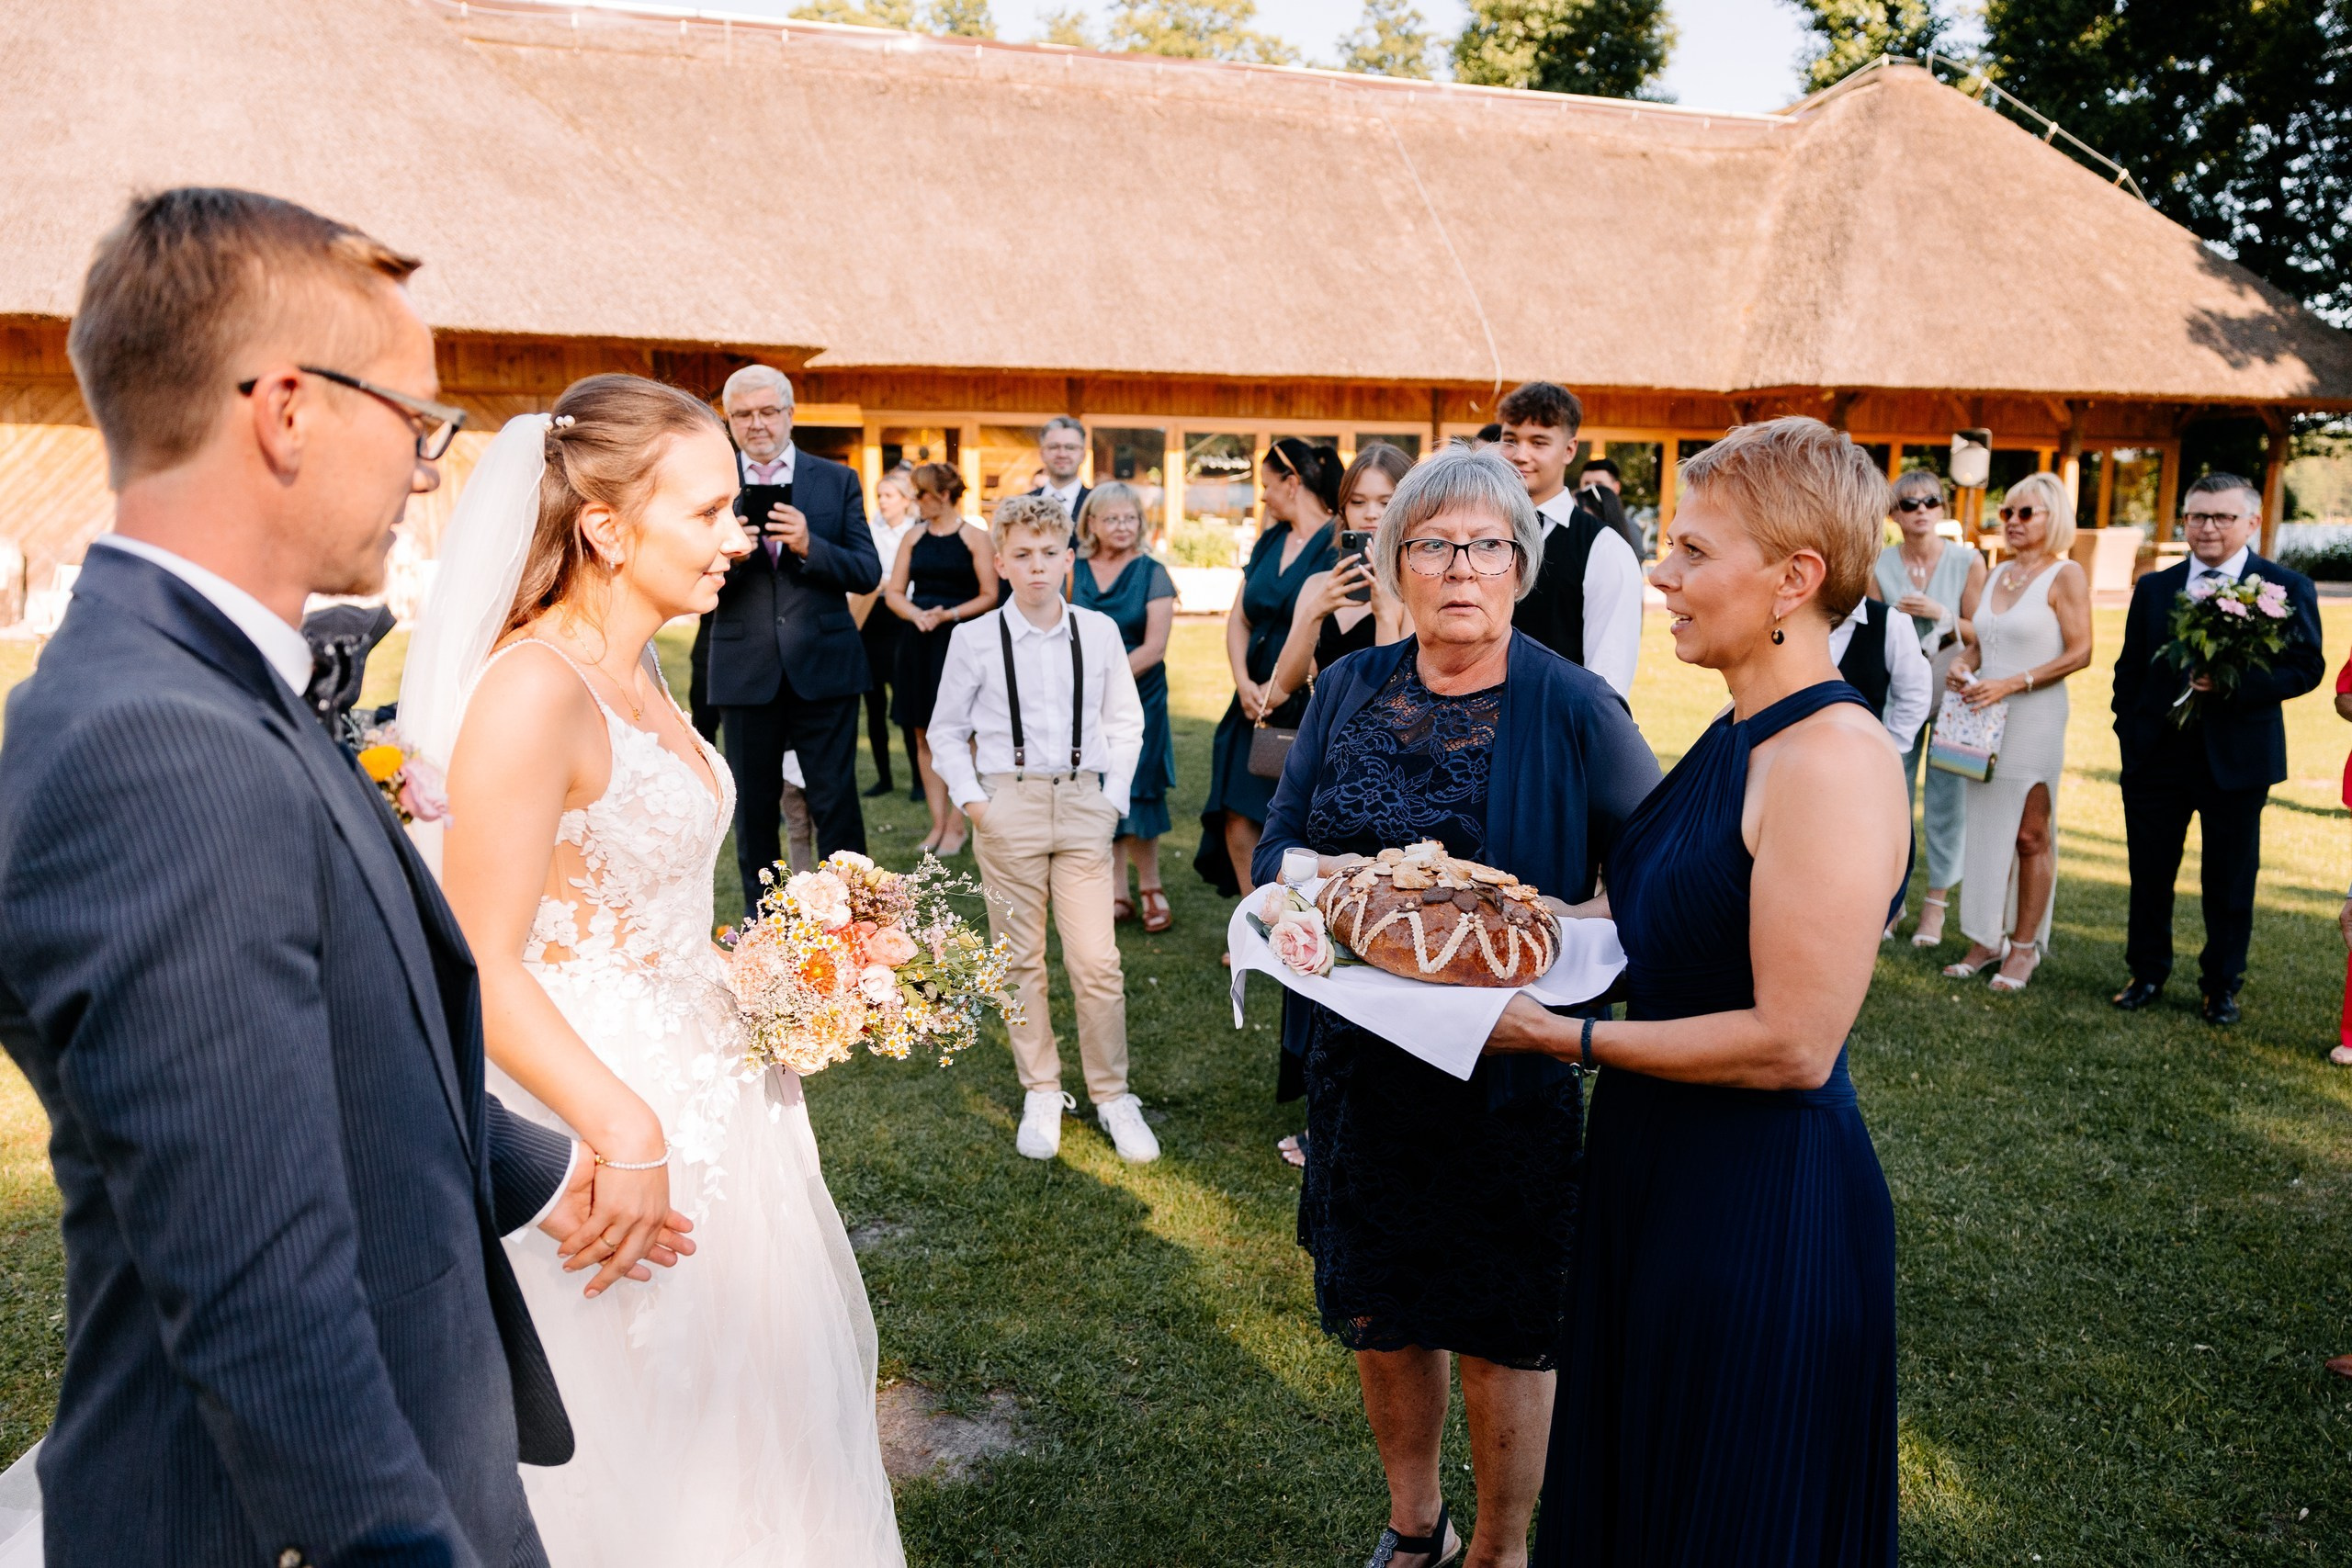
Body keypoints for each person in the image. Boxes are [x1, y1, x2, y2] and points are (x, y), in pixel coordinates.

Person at [0, 186, 688, 1567]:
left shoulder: (220, 688)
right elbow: (250, 1273)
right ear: (289, 410)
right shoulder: (150, 745)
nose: (430, 468)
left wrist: (536, 1171)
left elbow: (312, 1053)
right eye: (415, 421)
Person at [412, 379, 905, 1565]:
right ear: (607, 528)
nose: (740, 537)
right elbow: (481, 954)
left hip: (717, 1095)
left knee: (743, 1431)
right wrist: (622, 1126)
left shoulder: (640, 674)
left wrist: (784, 977)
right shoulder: (535, 689)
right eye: (710, 512)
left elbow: (636, 902)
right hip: (598, 1119)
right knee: (629, 1438)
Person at [1485, 415, 1909, 1568]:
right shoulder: (1737, 734)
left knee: (1728, 1507)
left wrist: (1558, 1041)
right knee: (1644, 1488)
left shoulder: (1829, 761)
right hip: (1657, 1172)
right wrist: (1459, 924)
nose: (1659, 575)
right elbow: (1654, 918)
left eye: (1689, 552)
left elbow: (1792, 1043)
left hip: (1756, 1204)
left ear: (1795, 577)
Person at [1254, 447, 1659, 1568]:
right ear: (1396, 566)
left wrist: (1577, 931)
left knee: (1503, 1330)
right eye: (1430, 546)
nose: (1458, 568)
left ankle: (1498, 1549)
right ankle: (1412, 1522)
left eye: (1484, 545)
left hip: (1507, 1078)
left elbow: (1655, 866)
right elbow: (1282, 834)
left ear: (1520, 568)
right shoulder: (1347, 689)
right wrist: (1317, 895)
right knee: (1384, 1311)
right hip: (1361, 1069)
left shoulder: (1573, 704)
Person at [929, 495, 1155, 1163]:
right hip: (1009, 807)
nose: (1035, 567)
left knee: (1097, 960)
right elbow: (947, 732)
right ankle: (1041, 1085)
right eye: (1021, 555)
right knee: (1019, 958)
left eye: (1048, 554)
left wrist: (1113, 799)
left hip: (1085, 804)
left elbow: (1125, 720)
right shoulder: (974, 639)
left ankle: (1112, 1094)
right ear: (999, 561)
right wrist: (976, 805)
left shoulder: (1099, 631)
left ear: (1068, 557)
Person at [2110, 471, 2324, 1023]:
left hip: (2238, 760)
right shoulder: (2156, 587)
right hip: (2157, 757)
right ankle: (2147, 972)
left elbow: (2306, 667)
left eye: (2222, 517)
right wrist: (2129, 737)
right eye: (2196, 516)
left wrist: (2233, 684)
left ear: (2252, 522)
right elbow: (2129, 670)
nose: (2207, 528)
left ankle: (2221, 984)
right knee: (2150, 874)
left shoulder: (2283, 587)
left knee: (2229, 880)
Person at [706, 365, 881, 919]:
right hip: (744, 667)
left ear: (789, 414)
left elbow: (868, 571)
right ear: (728, 421)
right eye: (743, 415)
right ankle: (765, 936)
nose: (756, 425)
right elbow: (683, 577)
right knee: (755, 811)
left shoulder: (836, 480)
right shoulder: (710, 484)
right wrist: (730, 557)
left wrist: (810, 544)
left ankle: (854, 932)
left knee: (836, 803)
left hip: (824, 666)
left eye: (767, 412)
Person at [1937, 472, 2093, 993]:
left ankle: (2024, 947)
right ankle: (1985, 938)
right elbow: (1985, 643)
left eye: (2026, 514)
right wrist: (1965, 664)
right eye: (2007, 513)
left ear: (2053, 519)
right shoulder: (2000, 572)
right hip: (1982, 716)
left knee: (2029, 833)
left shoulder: (2064, 574)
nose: (2013, 523)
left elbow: (2080, 652)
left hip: (2034, 717)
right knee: (1984, 827)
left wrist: (2013, 683)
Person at [1195, 437, 1342, 899]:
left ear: (1292, 482)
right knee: (1236, 809)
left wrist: (1281, 686)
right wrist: (1243, 682)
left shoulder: (1337, 542)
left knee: (1296, 816)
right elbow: (1239, 617)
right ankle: (1252, 912)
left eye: (1266, 485)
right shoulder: (1270, 539)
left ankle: (1297, 913)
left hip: (1308, 692)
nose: (1262, 496)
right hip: (1252, 694)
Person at [1870, 469, 1984, 947]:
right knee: (1890, 796)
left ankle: (1935, 905)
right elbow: (1871, 632)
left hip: (1955, 692)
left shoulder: (1967, 560)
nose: (1920, 511)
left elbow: (1982, 632)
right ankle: (1890, 901)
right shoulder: (1878, 563)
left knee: (1947, 799)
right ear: (1893, 513)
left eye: (1931, 502)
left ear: (1943, 509)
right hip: (1898, 693)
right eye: (1909, 503)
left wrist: (1942, 614)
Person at [1072, 481, 1179, 932]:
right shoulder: (1069, 570)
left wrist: (1104, 683)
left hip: (1140, 696)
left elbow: (1154, 646)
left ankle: (1151, 885)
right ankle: (1116, 889)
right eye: (1111, 518)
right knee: (1099, 787)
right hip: (1082, 702)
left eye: (1129, 518)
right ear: (1091, 523)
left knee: (1140, 788)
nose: (1121, 526)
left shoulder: (1152, 572)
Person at [1496, 382, 1644, 700]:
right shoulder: (1474, 532)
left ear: (1570, 450)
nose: (1521, 456)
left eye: (1538, 442)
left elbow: (1608, 679)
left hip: (1553, 734)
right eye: (1510, 440)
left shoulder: (1604, 549)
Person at [886, 461, 1000, 854]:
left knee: (963, 734)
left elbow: (990, 594)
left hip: (961, 641)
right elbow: (895, 592)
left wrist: (948, 614)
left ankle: (957, 825)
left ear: (945, 496)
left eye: (921, 493)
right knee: (923, 732)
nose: (915, 501)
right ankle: (936, 825)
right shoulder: (913, 537)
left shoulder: (975, 538)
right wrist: (916, 614)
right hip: (918, 641)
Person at [1268, 442, 1417, 702]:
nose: (1371, 514)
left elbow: (1397, 695)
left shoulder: (1417, 590)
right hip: (1323, 732)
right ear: (1344, 509)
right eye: (1358, 502)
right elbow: (1286, 682)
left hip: (1381, 737)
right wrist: (1315, 612)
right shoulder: (1319, 584)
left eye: (1386, 502)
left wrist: (1384, 615)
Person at [854, 465, 922, 797]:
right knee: (874, 703)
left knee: (906, 702)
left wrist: (890, 584)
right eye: (879, 496)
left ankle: (920, 781)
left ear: (906, 500)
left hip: (901, 621)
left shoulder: (915, 533)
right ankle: (884, 778)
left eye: (889, 496)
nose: (882, 502)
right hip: (871, 618)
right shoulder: (870, 531)